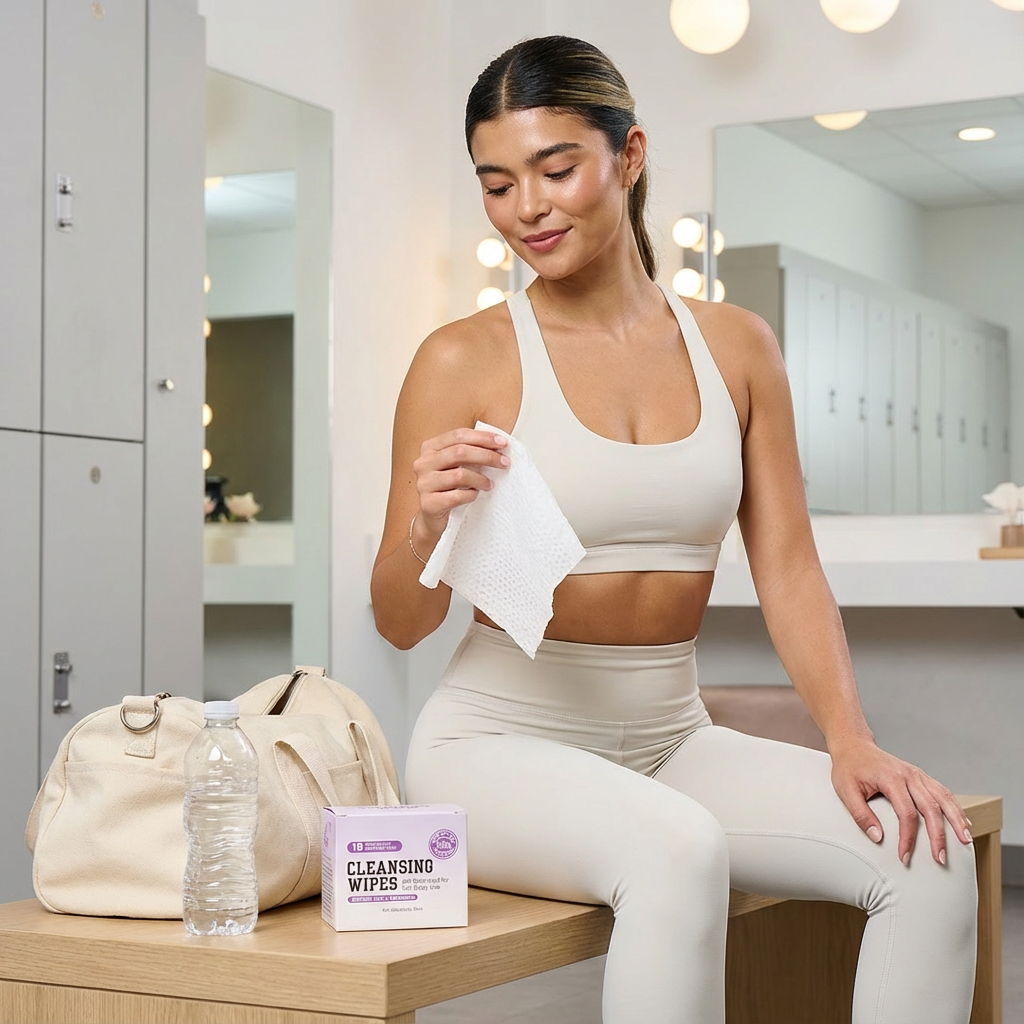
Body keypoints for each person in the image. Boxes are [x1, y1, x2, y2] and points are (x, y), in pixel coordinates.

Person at [370, 35, 977, 1024]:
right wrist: (424, 523)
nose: (527, 206)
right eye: (495, 183)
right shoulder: (460, 359)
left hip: (669, 735)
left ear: (630, 155)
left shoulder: (736, 346)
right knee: (677, 849)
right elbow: (398, 621)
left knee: (927, 850)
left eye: (556, 169)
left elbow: (787, 567)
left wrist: (849, 737)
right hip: (495, 743)